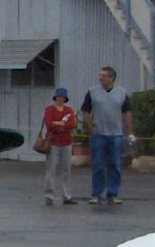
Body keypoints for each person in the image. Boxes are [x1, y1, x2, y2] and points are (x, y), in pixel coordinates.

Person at [80, 65, 134, 206]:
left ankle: (113, 193)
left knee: (115, 164)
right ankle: (96, 193)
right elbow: (85, 111)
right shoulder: (92, 92)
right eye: (100, 75)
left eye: (104, 76)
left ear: (111, 78)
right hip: (98, 134)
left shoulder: (122, 93)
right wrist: (90, 128)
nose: (101, 78)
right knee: (98, 165)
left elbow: (127, 113)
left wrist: (130, 131)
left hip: (116, 134)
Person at [40, 86, 78, 205]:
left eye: (62, 97)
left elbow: (72, 124)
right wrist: (62, 124)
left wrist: (59, 124)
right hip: (53, 142)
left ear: (65, 99)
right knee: (51, 169)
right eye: (58, 97)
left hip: (66, 142)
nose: (60, 99)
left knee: (66, 169)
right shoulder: (49, 109)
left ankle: (67, 195)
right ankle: (49, 195)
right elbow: (49, 125)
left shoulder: (69, 110)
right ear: (55, 98)